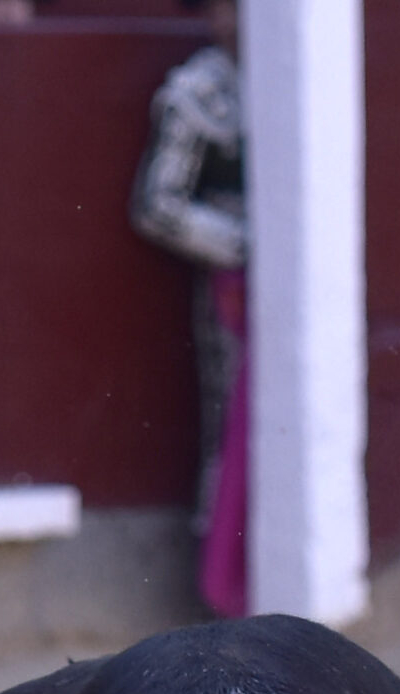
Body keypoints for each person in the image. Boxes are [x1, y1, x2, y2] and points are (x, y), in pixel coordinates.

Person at [131, 0, 246, 617]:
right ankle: (221, 589)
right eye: (218, 7)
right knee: (227, 418)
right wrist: (249, 245)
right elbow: (158, 204)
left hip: (278, 282)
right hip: (231, 285)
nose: (227, 21)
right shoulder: (195, 91)